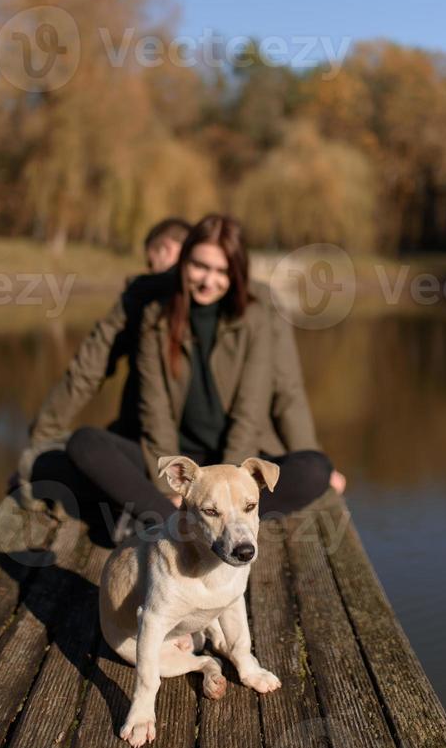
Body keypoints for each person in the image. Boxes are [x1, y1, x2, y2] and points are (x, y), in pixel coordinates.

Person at [66, 214, 345, 521]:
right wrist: (169, 489)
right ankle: (172, 520)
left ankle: (206, 514)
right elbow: (154, 412)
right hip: (180, 465)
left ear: (236, 273)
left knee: (315, 468)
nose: (208, 280)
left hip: (236, 460)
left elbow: (249, 413)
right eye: (199, 266)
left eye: (221, 271)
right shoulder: (155, 316)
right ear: (184, 262)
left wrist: (230, 487)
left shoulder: (256, 316)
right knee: (84, 444)